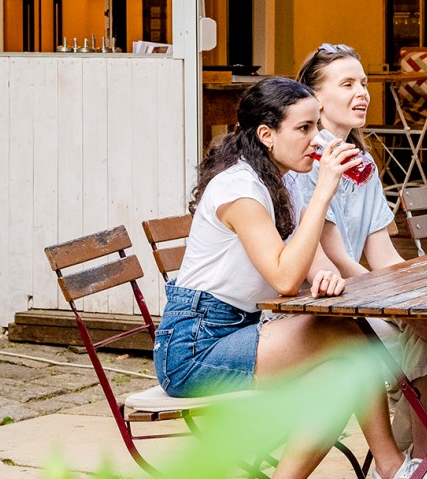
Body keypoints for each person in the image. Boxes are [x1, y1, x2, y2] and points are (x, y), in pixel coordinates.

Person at [153, 76, 363, 479]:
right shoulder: (241, 190)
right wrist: (323, 192)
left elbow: (308, 264)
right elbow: (285, 279)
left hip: (237, 332)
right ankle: (392, 467)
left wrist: (325, 278)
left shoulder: (281, 183)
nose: (317, 139)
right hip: (194, 349)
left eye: (317, 125)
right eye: (304, 128)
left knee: (343, 371)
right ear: (267, 134)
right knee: (350, 334)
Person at [286, 43, 427, 479]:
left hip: (358, 300)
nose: (362, 93)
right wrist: (409, 313)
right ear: (315, 98)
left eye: (363, 83)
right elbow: (336, 259)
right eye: (347, 84)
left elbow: (381, 253)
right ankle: (422, 465)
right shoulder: (305, 162)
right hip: (320, 310)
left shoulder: (361, 161)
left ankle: (424, 464)